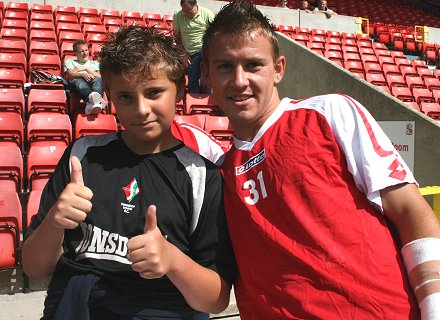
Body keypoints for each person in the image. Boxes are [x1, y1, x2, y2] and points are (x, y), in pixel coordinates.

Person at [201, 1, 440, 319]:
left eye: (254, 65)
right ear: (206, 75)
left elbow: (410, 209)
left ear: (279, 69)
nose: (240, 80)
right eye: (225, 66)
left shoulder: (330, 113)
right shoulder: (217, 174)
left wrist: (434, 306)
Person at [22, 25, 236, 320]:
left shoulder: (201, 176)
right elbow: (34, 268)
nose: (141, 109)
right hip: (75, 305)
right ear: (109, 96)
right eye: (125, 97)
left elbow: (215, 299)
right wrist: (54, 222)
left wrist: (172, 261)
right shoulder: (81, 156)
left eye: (154, 92)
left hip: (164, 309)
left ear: (181, 90)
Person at [173, 0, 214, 94]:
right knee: (193, 77)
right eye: (184, 12)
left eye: (189, 11)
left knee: (210, 70)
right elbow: (176, 37)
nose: (187, 14)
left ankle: (209, 97)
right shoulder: (178, 15)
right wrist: (183, 54)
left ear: (196, 5)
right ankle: (193, 98)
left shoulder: (207, 14)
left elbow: (214, 35)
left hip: (205, 49)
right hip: (189, 52)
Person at [64, 40, 107, 115]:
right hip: (77, 83)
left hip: (92, 82)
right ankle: (95, 102)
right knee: (79, 82)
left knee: (98, 80)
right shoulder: (70, 62)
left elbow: (100, 76)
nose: (85, 53)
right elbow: (71, 75)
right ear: (75, 53)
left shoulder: (95, 63)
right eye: (81, 51)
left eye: (86, 50)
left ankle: (91, 104)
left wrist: (86, 69)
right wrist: (82, 75)